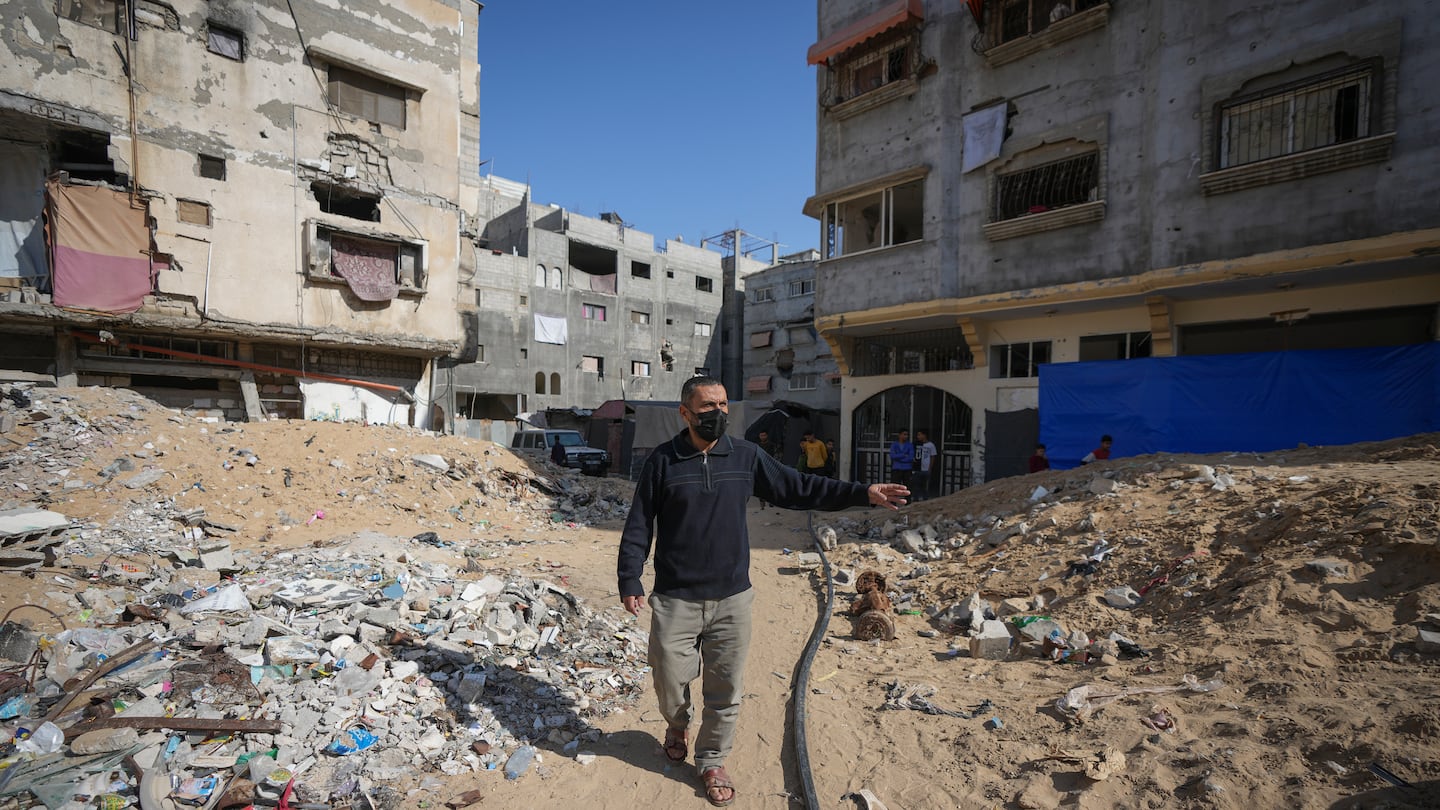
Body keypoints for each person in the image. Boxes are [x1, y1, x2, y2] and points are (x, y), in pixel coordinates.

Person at [617, 377, 908, 807]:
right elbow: (640, 522)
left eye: (722, 404)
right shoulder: (663, 461)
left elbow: (800, 488)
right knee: (669, 680)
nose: (716, 413)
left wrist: (861, 492)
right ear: (685, 413)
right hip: (675, 597)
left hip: (733, 598)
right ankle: (676, 724)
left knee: (726, 686)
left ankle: (712, 759)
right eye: (706, 407)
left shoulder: (747, 457)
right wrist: (629, 577)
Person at [912, 429, 937, 501]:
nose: (918, 436)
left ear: (924, 435)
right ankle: (915, 500)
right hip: (917, 468)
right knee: (916, 486)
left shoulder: (930, 445)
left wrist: (930, 468)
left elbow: (932, 457)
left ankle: (925, 500)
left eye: (920, 434)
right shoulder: (916, 444)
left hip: (926, 469)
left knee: (925, 487)